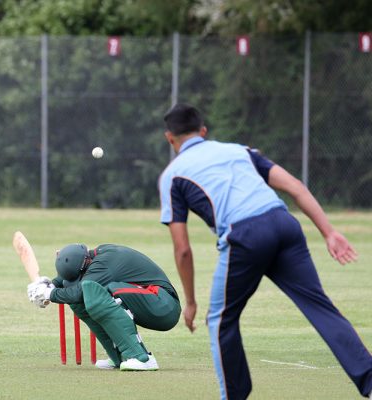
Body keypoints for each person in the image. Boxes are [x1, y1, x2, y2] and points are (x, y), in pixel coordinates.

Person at [158, 103, 372, 399]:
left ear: (169, 138)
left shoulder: (173, 175)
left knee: (220, 320)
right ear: (204, 131)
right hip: (285, 224)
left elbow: (182, 250)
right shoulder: (239, 150)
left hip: (246, 236)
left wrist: (192, 302)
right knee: (320, 306)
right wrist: (329, 232)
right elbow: (295, 187)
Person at [27, 243, 181, 371]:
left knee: (97, 290)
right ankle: (119, 357)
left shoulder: (104, 265)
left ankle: (142, 358)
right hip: (151, 301)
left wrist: (49, 294)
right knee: (83, 299)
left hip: (164, 305)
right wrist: (50, 284)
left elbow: (78, 292)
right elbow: (71, 282)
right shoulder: (91, 258)